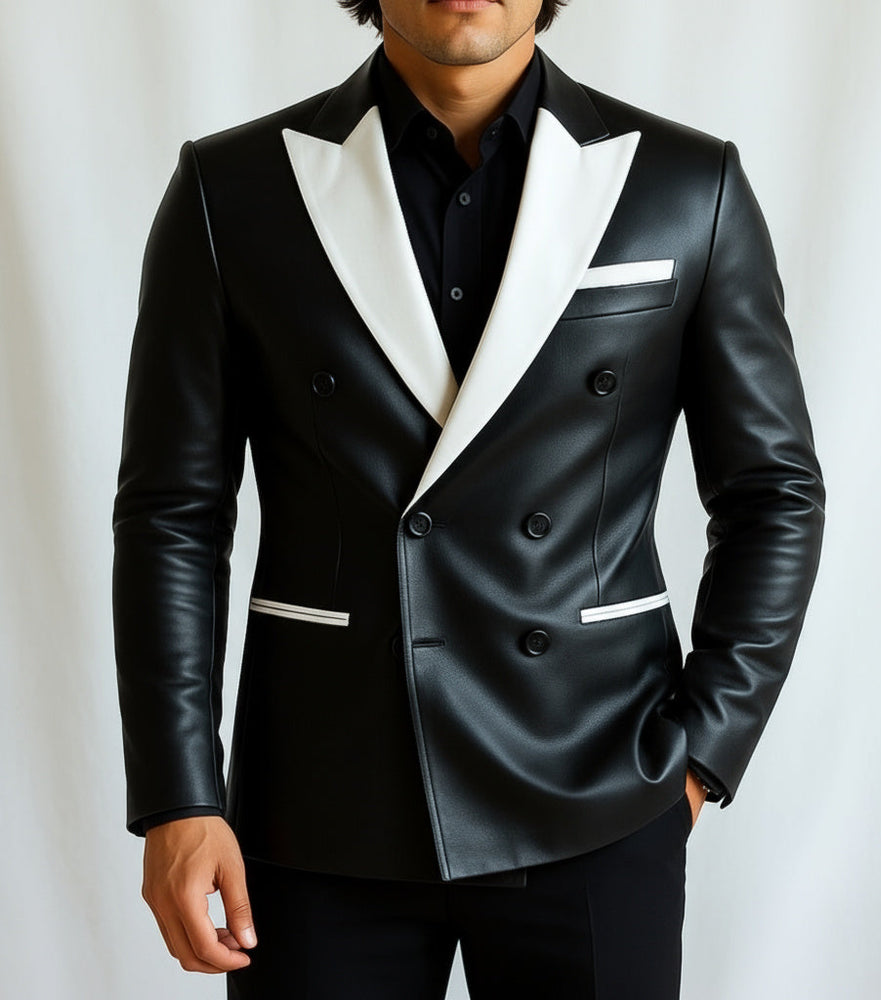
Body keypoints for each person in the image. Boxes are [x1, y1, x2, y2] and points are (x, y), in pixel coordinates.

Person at [112, 0, 826, 996]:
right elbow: (174, 514)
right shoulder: (232, 190)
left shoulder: (683, 183)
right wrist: (178, 795)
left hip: (599, 788)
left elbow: (772, 490)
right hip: (321, 799)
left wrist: (702, 751)